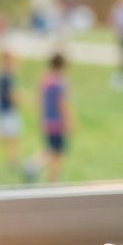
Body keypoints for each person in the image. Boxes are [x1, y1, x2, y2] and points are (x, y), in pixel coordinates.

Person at [25, 51, 72, 183]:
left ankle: (35, 167)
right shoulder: (61, 82)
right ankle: (51, 179)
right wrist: (69, 121)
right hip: (58, 122)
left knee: (50, 150)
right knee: (57, 153)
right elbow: (63, 103)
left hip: (47, 120)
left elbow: (39, 100)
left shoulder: (45, 80)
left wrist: (41, 117)